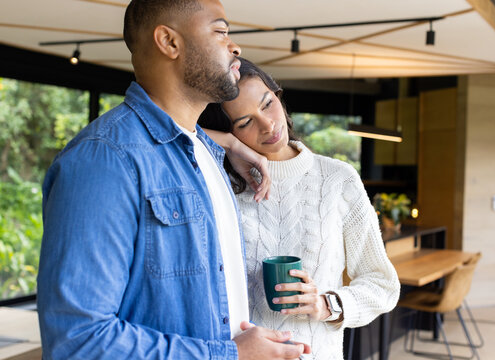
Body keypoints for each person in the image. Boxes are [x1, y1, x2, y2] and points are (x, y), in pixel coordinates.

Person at [37, 1, 310, 359]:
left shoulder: (206, 154)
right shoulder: (104, 159)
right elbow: (78, 341)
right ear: (169, 41)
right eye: (221, 32)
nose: (235, 47)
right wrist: (229, 355)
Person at [199, 57, 401, 360]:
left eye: (267, 104)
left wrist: (326, 305)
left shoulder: (339, 180)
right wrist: (228, 144)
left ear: (278, 96)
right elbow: (163, 134)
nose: (268, 124)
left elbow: (382, 283)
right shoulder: (217, 182)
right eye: (244, 123)